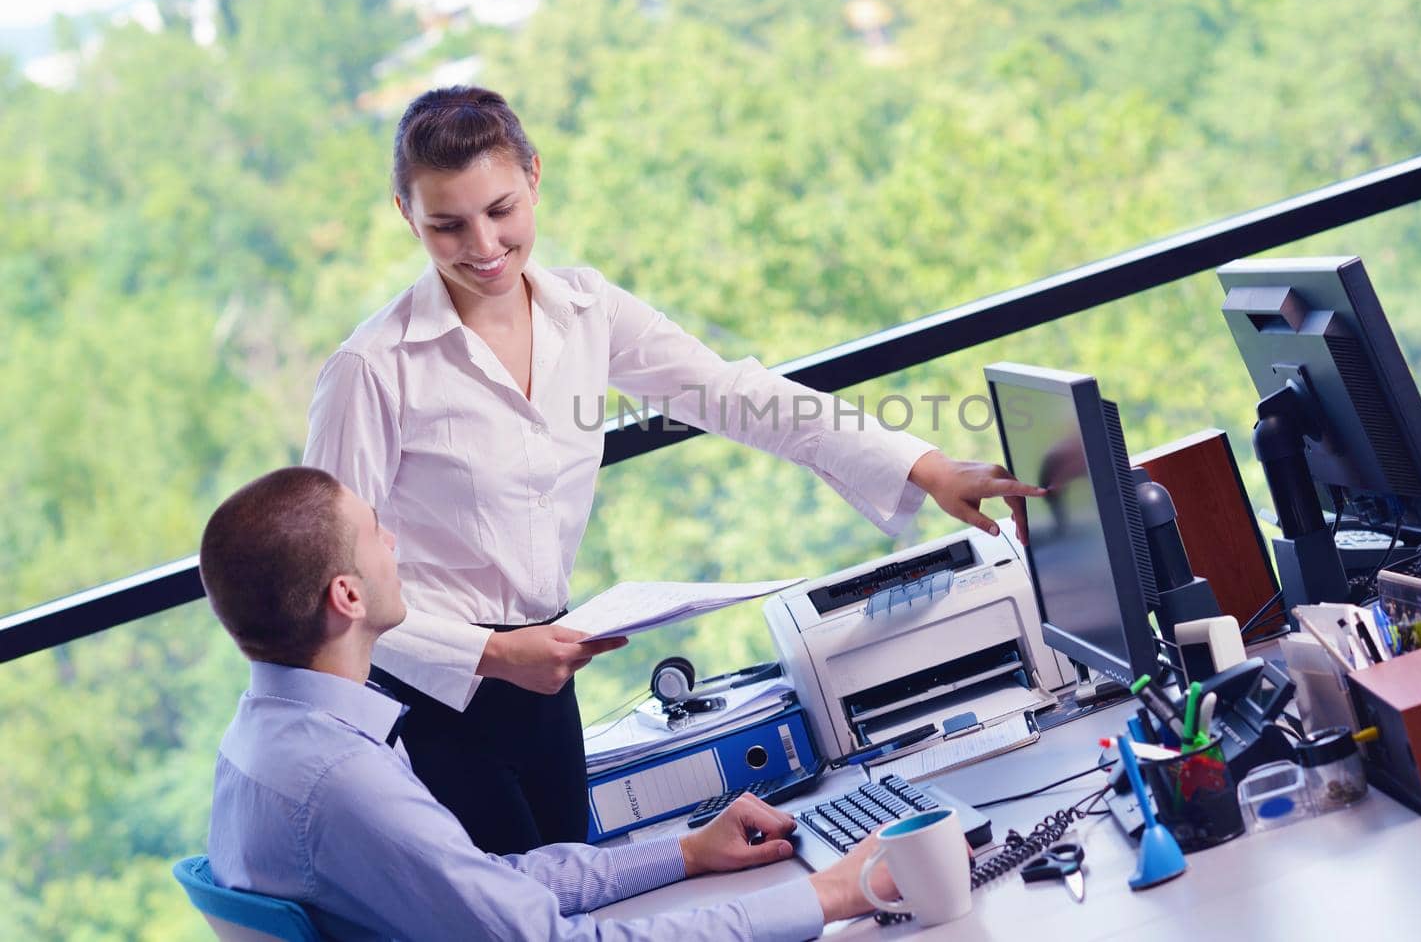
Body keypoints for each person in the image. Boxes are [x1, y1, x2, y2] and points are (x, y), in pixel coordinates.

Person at [303, 85, 1043, 853]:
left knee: (578, 899)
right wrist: (489, 654)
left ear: (534, 177)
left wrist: (921, 466)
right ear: (405, 215)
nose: (483, 245)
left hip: (545, 681)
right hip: (429, 699)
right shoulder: (371, 368)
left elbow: (734, 393)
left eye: (501, 210)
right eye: (446, 225)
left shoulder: (586, 310)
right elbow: (329, 592)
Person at [201, 466, 894, 941]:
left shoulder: (267, 736)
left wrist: (684, 854)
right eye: (375, 531)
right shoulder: (342, 781)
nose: (392, 543)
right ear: (347, 597)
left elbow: (488, 885)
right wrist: (831, 895)